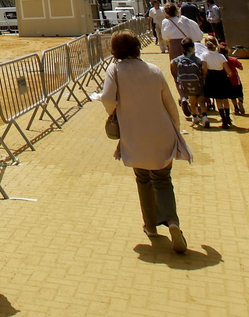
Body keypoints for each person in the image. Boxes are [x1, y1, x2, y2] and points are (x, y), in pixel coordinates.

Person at [98, 30, 192, 253]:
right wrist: (175, 129)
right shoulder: (154, 69)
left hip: (135, 134)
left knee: (143, 179)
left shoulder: (115, 70)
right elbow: (169, 103)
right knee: (162, 180)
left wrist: (115, 112)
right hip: (162, 131)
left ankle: (150, 226)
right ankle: (172, 222)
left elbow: (107, 98)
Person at [170, 40, 207, 125]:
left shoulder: (180, 59)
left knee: (192, 100)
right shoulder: (196, 59)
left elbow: (172, 63)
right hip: (198, 82)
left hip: (186, 83)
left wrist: (176, 77)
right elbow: (203, 68)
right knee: (201, 101)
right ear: (192, 48)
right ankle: (204, 117)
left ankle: (194, 117)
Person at [198, 37, 231, 127]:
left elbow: (204, 69)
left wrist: (204, 76)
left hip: (211, 77)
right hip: (222, 76)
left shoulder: (204, 55)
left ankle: (224, 120)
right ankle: (228, 118)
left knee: (218, 100)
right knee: (225, 99)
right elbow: (228, 70)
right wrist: (230, 75)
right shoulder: (221, 56)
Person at [219, 43, 245, 115]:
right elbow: (241, 68)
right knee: (240, 94)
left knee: (232, 96)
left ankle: (236, 108)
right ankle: (240, 102)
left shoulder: (220, 62)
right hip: (236, 81)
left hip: (227, 82)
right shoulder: (233, 60)